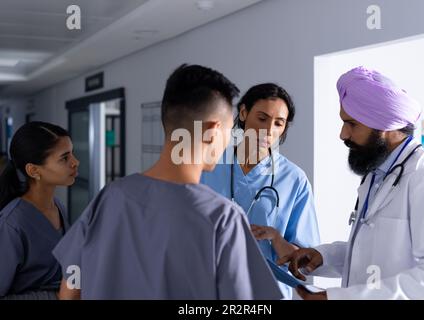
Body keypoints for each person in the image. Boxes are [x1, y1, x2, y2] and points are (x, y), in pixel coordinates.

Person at [53, 64, 283, 300]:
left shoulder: (109, 197)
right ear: (213, 131)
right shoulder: (222, 218)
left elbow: (71, 284)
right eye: (228, 131)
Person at [279, 66, 424, 300]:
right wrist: (324, 256)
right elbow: (374, 254)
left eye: (352, 124)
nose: (343, 134)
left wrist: (337, 298)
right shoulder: (377, 174)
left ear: (384, 126)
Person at [201, 83, 320, 299]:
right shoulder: (209, 165)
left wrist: (277, 239)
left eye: (278, 123)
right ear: (244, 113)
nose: (268, 130)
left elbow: (306, 259)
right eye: (262, 119)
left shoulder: (294, 179)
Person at [0, 122, 78, 299]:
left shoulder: (58, 207)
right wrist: (57, 297)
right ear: (34, 170)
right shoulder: (11, 225)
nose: (75, 162)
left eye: (72, 154)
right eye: (65, 158)